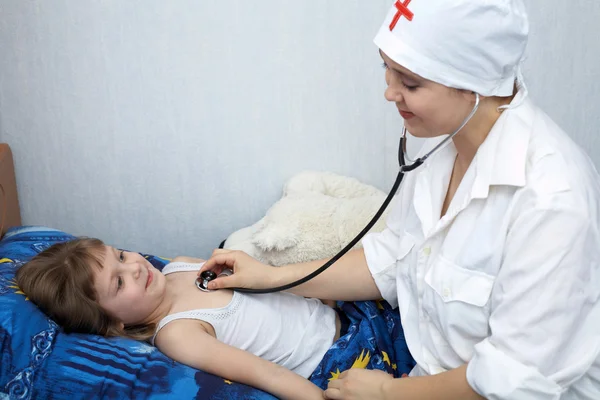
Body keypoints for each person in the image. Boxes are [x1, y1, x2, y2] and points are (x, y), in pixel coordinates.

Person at [199, 1, 600, 399]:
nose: (390, 93)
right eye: (386, 70)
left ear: (474, 86)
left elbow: (513, 378)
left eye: (410, 83)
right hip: (424, 375)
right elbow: (392, 260)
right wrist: (271, 278)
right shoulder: (441, 145)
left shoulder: (552, 202)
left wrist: (389, 394)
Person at [15, 237, 348, 400]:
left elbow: (271, 287)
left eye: (119, 255)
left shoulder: (182, 265)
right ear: (114, 324)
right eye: (118, 282)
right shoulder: (178, 333)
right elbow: (265, 373)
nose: (134, 266)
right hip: (334, 359)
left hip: (341, 312)